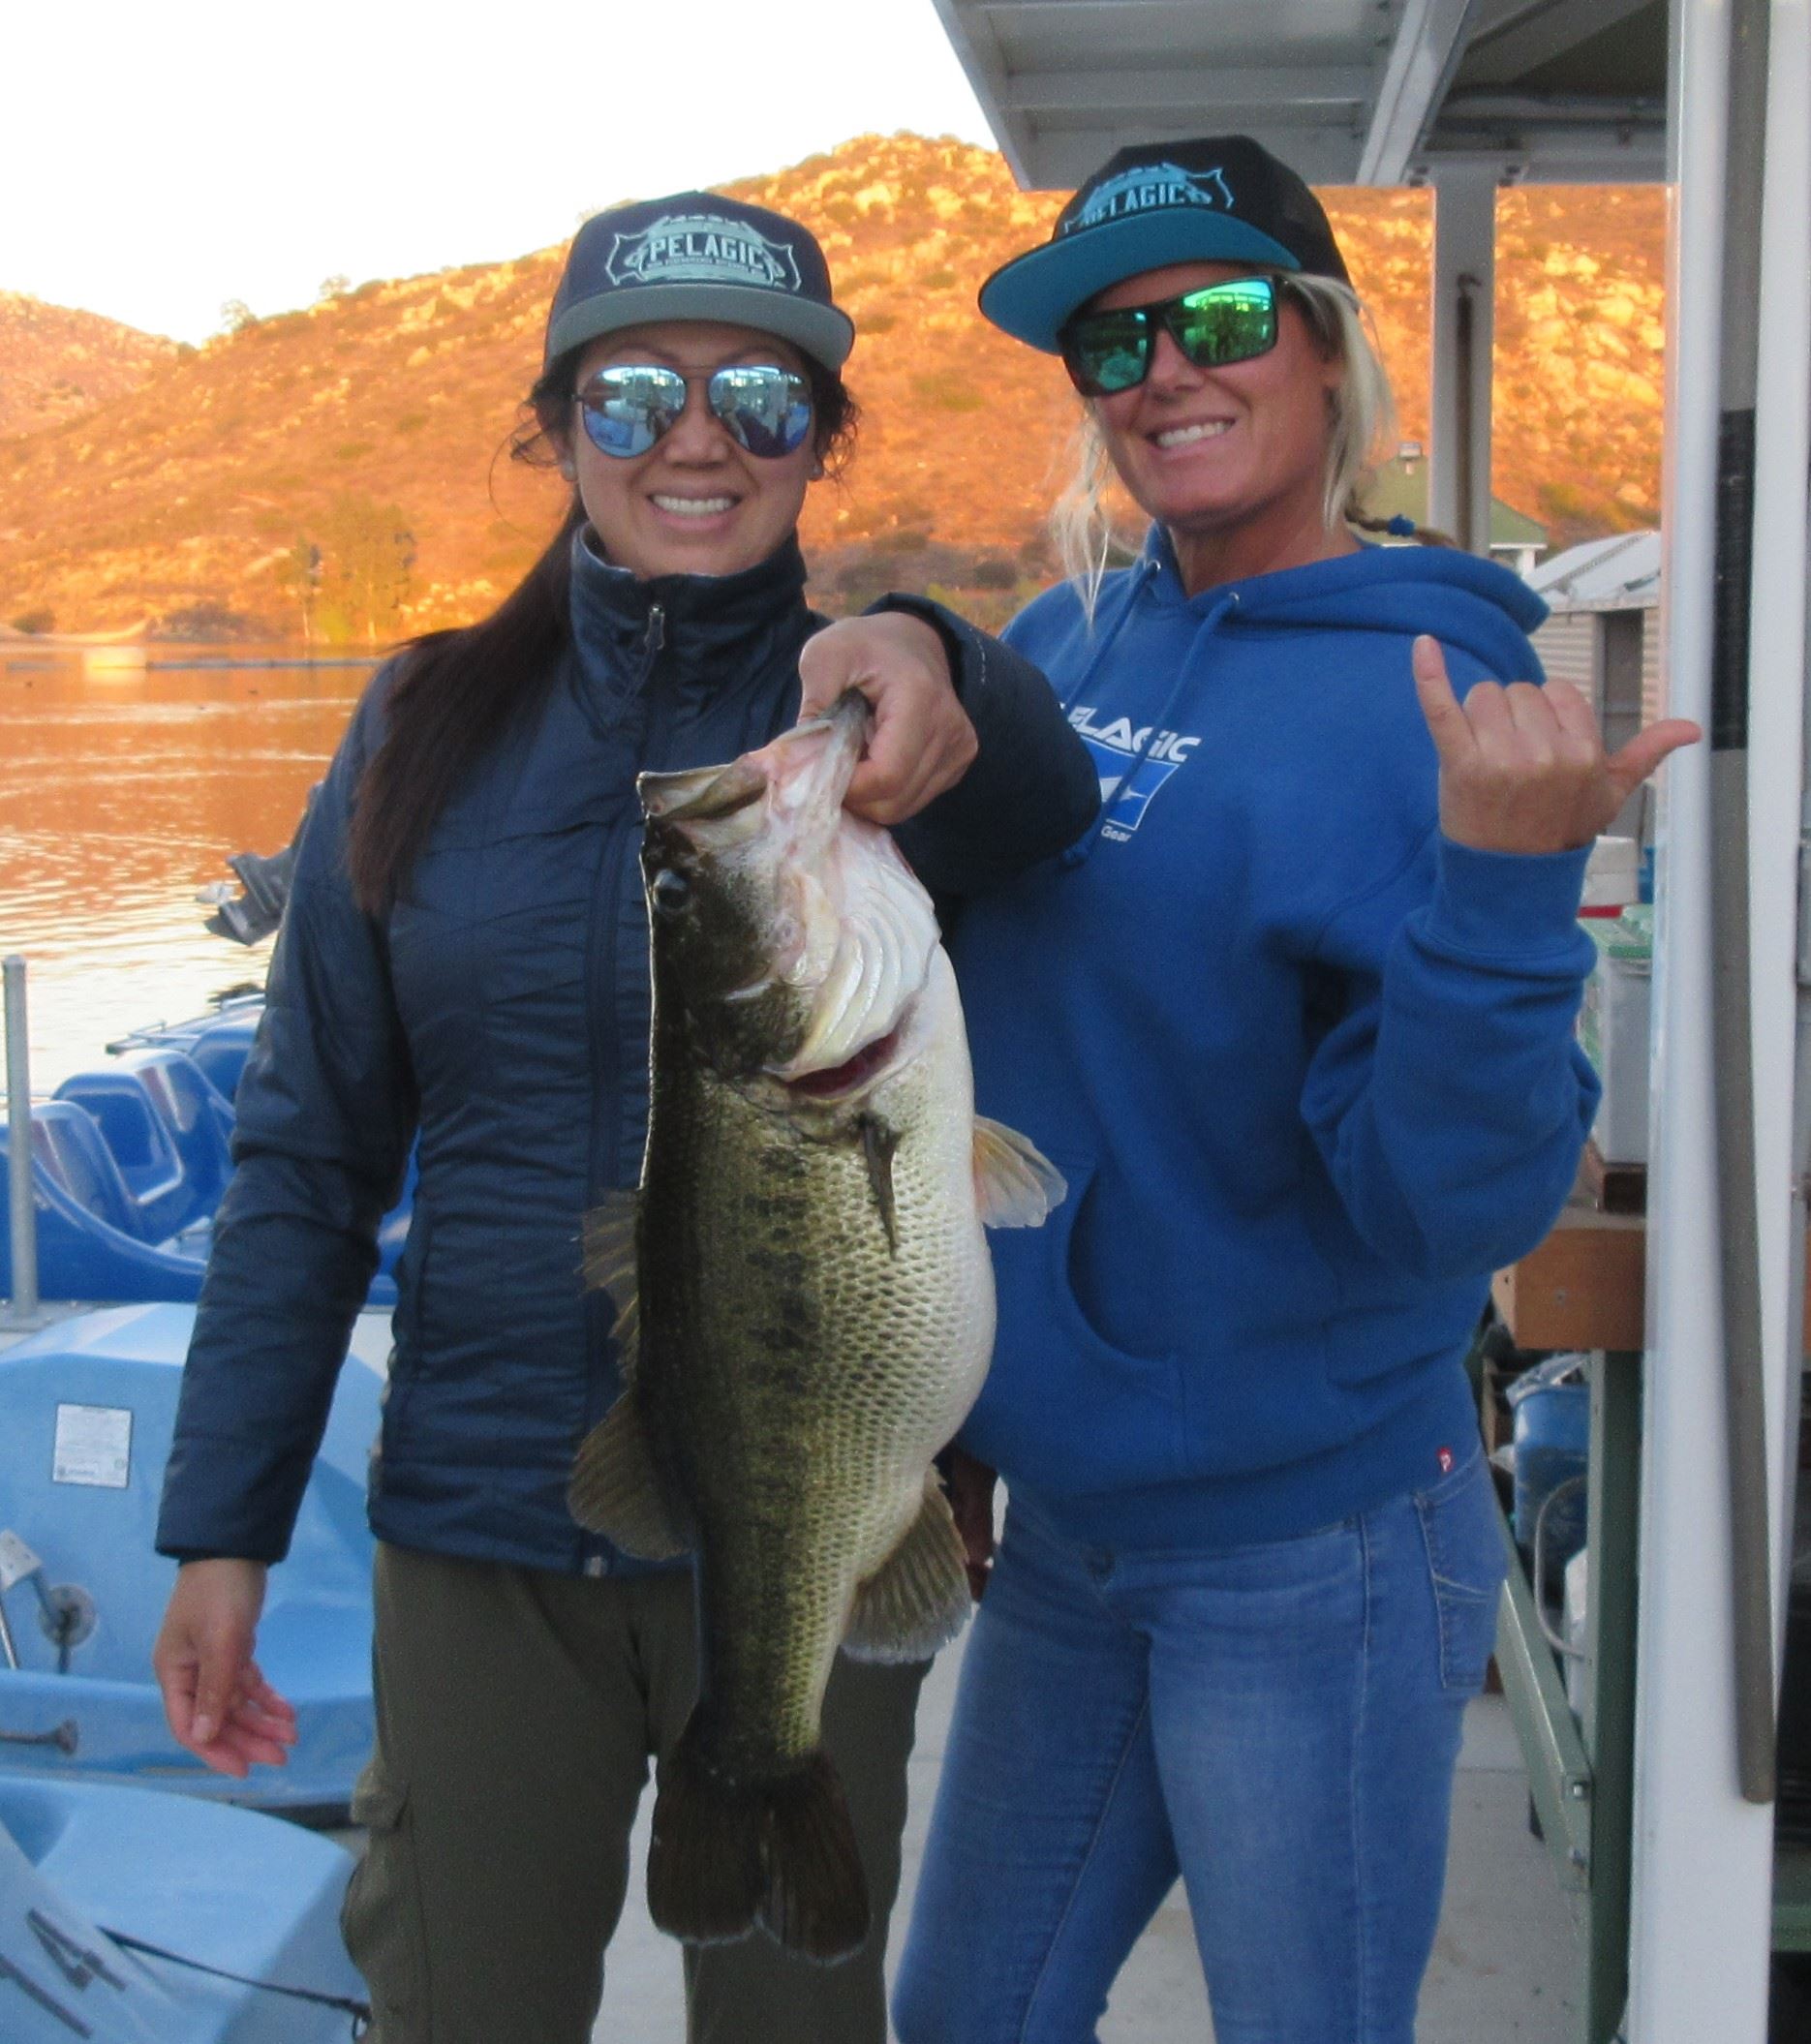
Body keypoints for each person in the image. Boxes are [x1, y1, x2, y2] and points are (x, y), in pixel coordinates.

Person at [150, 190, 1099, 2044]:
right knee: (452, 2005)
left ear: (824, 442)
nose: (693, 437)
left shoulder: (879, 728)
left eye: (757, 395)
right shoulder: (419, 719)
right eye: (628, 396)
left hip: (819, 1531)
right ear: (552, 426)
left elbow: (1040, 805)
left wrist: (928, 640)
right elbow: (306, 1156)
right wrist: (222, 1530)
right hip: (488, 1523)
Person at [893, 137, 1700, 2044]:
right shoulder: (1062, 643)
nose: (1165, 370)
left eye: (1222, 317)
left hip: (1306, 1544)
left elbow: (1451, 1207)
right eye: (1113, 342)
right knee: (962, 2016)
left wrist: (1508, 892)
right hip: (1066, 1525)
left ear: (1323, 350)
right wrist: (897, 640)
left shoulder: (1426, 691)